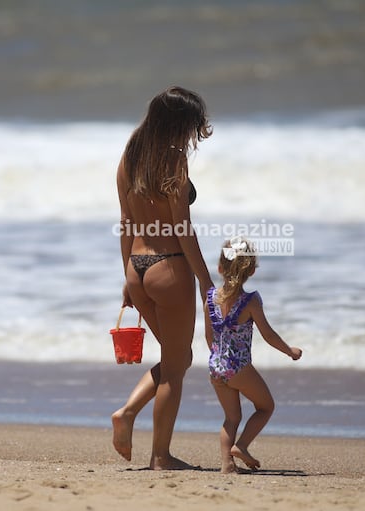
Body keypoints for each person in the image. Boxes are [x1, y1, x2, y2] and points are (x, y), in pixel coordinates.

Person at [112, 86, 214, 470]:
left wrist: (127, 275)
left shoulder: (129, 158)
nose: (191, 136)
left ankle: (127, 414)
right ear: (177, 125)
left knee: (179, 357)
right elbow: (183, 231)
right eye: (189, 127)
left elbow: (125, 223)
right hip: (169, 267)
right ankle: (160, 456)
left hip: (138, 269)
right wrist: (206, 282)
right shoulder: (172, 163)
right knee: (175, 366)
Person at [205, 236, 303, 473]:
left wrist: (219, 359)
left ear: (219, 268)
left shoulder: (210, 298)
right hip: (238, 367)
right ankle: (241, 446)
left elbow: (209, 336)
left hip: (215, 365)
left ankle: (227, 464)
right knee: (266, 406)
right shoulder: (250, 300)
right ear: (251, 270)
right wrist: (289, 351)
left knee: (231, 418)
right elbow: (268, 335)